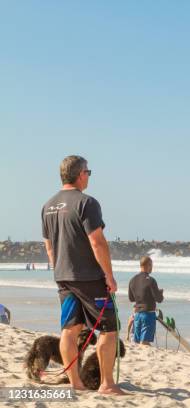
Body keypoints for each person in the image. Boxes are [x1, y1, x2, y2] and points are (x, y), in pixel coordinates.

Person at [41, 155, 124, 395]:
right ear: (80, 174)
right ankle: (107, 384)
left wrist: (59, 269)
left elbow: (49, 246)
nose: (89, 176)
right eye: (88, 172)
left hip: (63, 277)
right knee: (109, 329)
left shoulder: (48, 206)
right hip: (89, 278)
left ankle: (75, 382)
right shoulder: (87, 203)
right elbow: (97, 242)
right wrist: (109, 276)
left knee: (70, 328)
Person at [128, 256, 163, 346]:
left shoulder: (132, 280)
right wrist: (160, 293)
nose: (152, 268)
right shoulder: (151, 280)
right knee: (145, 342)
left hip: (137, 315)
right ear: (148, 265)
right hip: (148, 314)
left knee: (136, 341)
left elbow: (131, 298)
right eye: (151, 265)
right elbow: (159, 299)